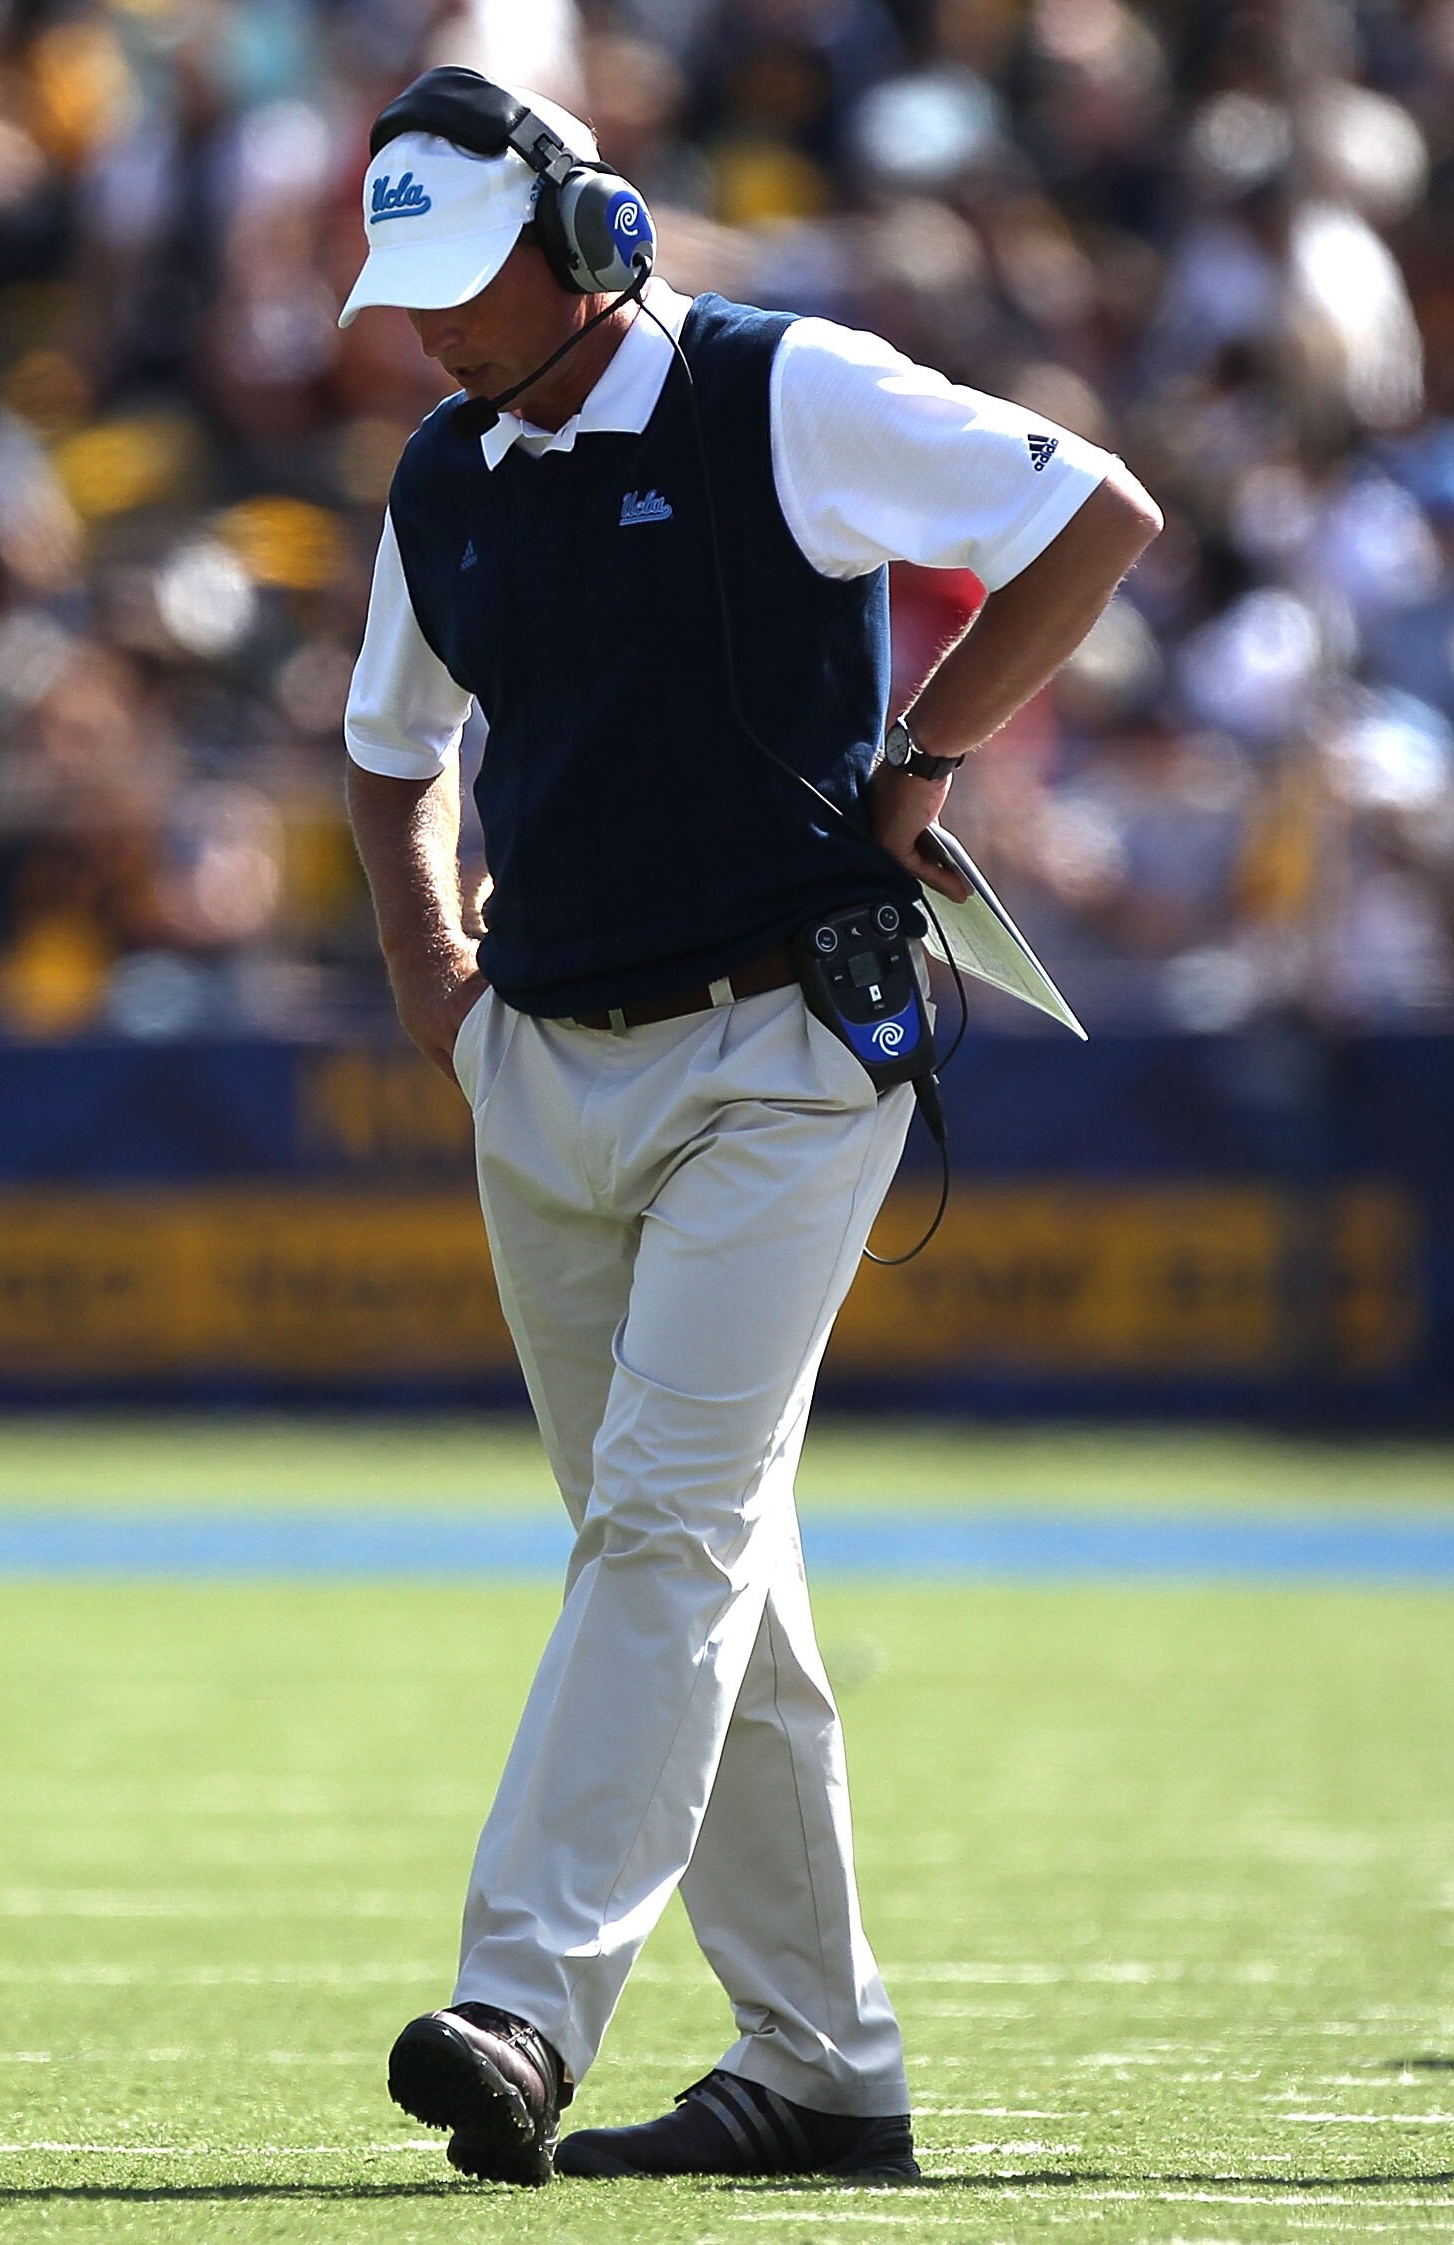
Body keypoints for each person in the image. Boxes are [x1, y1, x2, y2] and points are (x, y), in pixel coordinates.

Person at [337, 71, 1161, 2188]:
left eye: (462, 280)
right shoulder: (445, 473)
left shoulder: (781, 389)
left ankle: (524, 1999)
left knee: (667, 1530)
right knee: (717, 1573)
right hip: (545, 1062)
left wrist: (930, 760)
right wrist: (438, 983)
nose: (429, 330)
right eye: (406, 291)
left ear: (590, 235)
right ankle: (821, 2066)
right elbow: (387, 751)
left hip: (783, 1050)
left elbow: (1095, 519)